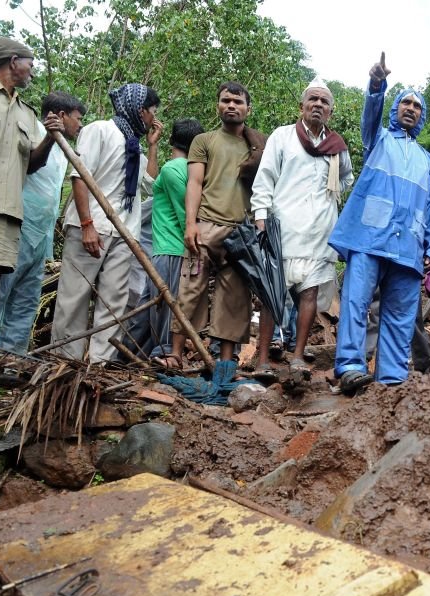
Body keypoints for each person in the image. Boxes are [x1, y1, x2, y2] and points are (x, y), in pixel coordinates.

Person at [328, 53, 430, 395]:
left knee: (401, 313)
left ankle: (391, 376)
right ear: (395, 109)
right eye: (404, 103)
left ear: (422, 115)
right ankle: (350, 366)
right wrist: (377, 85)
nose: (410, 108)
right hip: (369, 237)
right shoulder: (377, 139)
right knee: (356, 302)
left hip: (408, 246)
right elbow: (371, 113)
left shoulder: (427, 160)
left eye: (416, 106)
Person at [0, 92, 84, 353]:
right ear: (61, 116)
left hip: (41, 234)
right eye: (77, 118)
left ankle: (9, 359)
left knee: (26, 300)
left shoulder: (65, 149)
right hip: (16, 226)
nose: (80, 124)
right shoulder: (31, 130)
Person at [0, 37, 64, 344]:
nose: (32, 70)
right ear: (13, 61)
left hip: (5, 211)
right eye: (30, 63)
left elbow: (31, 164)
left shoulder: (26, 114)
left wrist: (48, 138)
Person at [50, 83, 162, 362]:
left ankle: (99, 364)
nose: (152, 118)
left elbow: (149, 184)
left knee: (114, 302)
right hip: (92, 226)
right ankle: (65, 362)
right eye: (152, 112)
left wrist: (153, 145)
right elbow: (79, 176)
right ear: (139, 110)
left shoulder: (134, 145)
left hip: (125, 233)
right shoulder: (99, 130)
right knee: (74, 297)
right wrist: (86, 223)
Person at [252, 78, 353, 379]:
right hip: (283, 227)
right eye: (313, 99)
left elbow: (346, 179)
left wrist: (329, 195)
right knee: (272, 294)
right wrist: (261, 217)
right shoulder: (282, 137)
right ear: (301, 106)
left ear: (330, 112)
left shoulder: (337, 148)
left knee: (309, 294)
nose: (318, 105)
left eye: (324, 102)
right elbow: (265, 177)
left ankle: (297, 356)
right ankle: (262, 361)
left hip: (320, 230)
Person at [162, 82, 266, 371]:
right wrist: (190, 224)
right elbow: (194, 184)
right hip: (206, 226)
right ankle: (176, 354)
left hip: (240, 231)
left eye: (238, 101)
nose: (231, 105)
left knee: (234, 297)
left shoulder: (258, 145)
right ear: (218, 105)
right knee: (190, 290)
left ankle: (225, 363)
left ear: (248, 108)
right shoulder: (204, 141)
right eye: (226, 100)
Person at [131, 118, 205, 359]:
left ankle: (161, 356)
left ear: (173, 140)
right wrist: (152, 147)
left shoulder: (173, 169)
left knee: (164, 309)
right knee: (148, 308)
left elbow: (187, 215)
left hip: (172, 250)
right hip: (169, 249)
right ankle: (126, 356)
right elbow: (152, 186)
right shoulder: (192, 169)